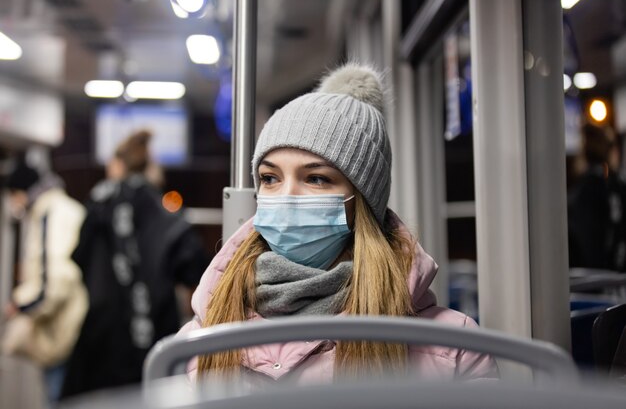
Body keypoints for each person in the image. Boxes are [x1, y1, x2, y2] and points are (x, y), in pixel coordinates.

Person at [177, 63, 498, 383]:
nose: (286, 196)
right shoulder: (201, 336)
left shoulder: (455, 348)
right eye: (270, 178)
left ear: (362, 198)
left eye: (316, 178)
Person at [61, 130, 209, 397]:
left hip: (100, 341)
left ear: (117, 165)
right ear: (150, 166)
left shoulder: (97, 207)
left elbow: (80, 258)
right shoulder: (167, 216)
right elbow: (196, 273)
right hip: (153, 346)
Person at [1, 156, 87, 404]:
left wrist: (20, 305)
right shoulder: (62, 208)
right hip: (71, 329)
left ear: (22, 192)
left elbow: (54, 283)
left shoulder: (50, 214)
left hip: (62, 334)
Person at [568, 123, 626, 273]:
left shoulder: (589, 188)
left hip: (596, 282)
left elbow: (585, 242)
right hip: (616, 281)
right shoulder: (616, 184)